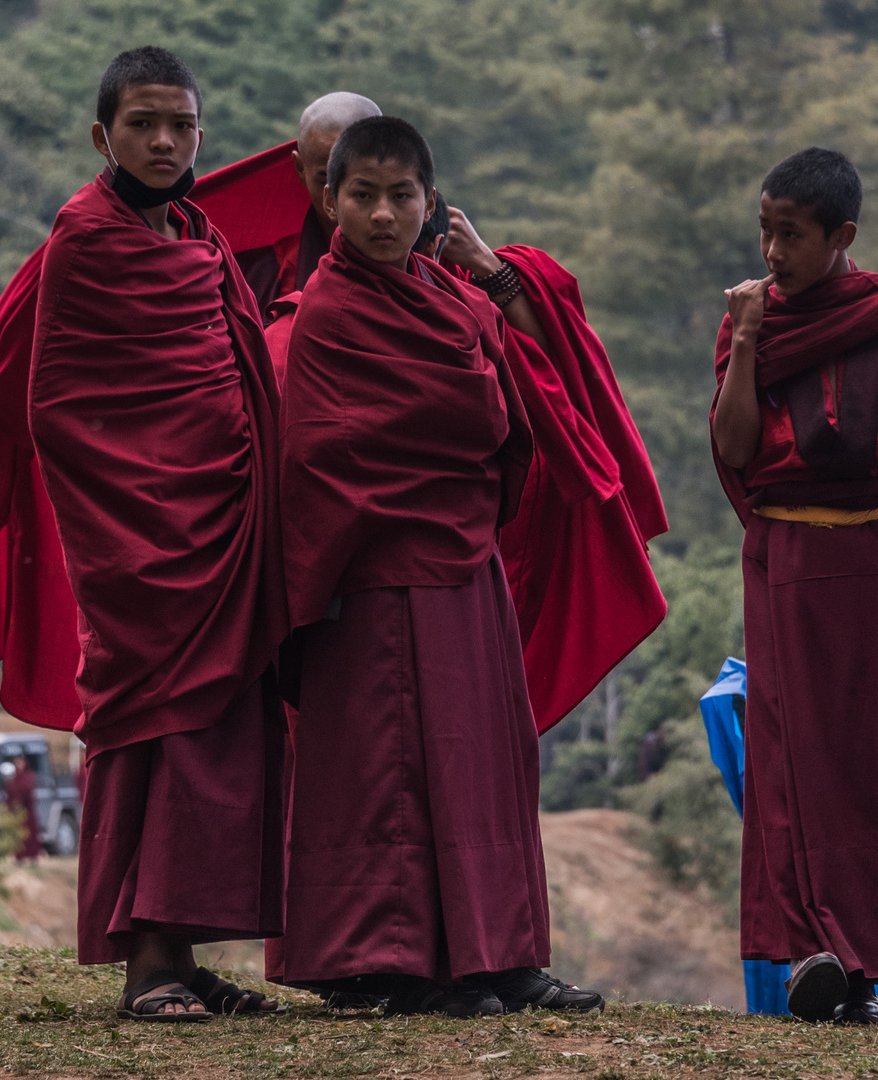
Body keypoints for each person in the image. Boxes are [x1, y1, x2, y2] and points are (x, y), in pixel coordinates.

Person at [278, 115, 603, 1018]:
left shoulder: (453, 298)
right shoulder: (327, 316)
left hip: (465, 566)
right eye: (363, 196)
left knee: (485, 764)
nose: (383, 215)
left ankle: (500, 956)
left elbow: (510, 421)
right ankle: (391, 963)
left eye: (401, 196)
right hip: (374, 574)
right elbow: (319, 456)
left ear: (431, 204)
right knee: (395, 769)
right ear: (330, 201)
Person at [27, 47, 288, 1020]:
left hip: (217, 523)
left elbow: (230, 368)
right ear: (104, 135)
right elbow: (61, 408)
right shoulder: (86, 239)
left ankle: (181, 950)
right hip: (142, 539)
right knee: (156, 737)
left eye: (180, 125)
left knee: (218, 743)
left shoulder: (196, 233)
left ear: (200, 137)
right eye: (143, 124)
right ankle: (148, 966)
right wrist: (148, 503)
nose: (164, 141)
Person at [710, 147, 878, 1024]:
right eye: (764, 230)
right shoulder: (752, 322)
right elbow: (732, 448)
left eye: (791, 235)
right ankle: (816, 957)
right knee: (795, 759)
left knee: (877, 760)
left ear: (843, 238)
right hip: (791, 561)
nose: (771, 253)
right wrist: (751, 340)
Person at [233, 91, 382, 312]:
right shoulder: (259, 278)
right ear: (300, 168)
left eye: (362, 183)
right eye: (326, 178)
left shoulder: (433, 260)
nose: (340, 197)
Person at [3, 753, 43, 863]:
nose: (18, 765)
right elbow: (9, 792)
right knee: (19, 835)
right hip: (17, 812)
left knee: (30, 834)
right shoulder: (14, 778)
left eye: (20, 762)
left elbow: (27, 790)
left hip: (27, 810)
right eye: (17, 763)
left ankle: (33, 857)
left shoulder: (28, 776)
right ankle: (19, 857)